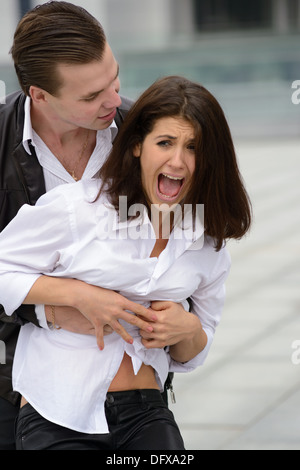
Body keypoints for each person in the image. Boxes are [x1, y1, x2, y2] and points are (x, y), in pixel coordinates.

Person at [0, 75, 252, 450]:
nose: (178, 161)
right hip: (57, 410)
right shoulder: (80, 208)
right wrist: (75, 295)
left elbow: (193, 352)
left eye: (194, 147)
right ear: (137, 147)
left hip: (146, 413)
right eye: (164, 143)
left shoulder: (208, 241)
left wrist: (186, 329)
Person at [0, 1, 181, 450]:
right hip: (21, 394)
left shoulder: (148, 132)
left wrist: (187, 320)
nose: (114, 100)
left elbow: (188, 244)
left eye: (113, 77)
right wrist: (62, 304)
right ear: (38, 94)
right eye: (90, 96)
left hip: (137, 394)